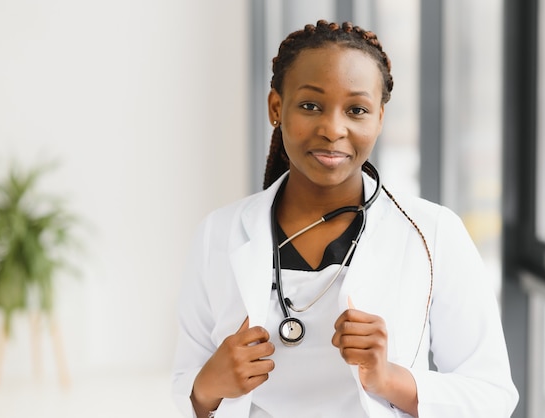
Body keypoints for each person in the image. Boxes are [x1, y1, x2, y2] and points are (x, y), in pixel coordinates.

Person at [172, 20, 518, 418]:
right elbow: (188, 387)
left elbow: (492, 397)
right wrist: (207, 387)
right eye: (310, 106)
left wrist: (389, 379)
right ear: (275, 108)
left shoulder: (433, 232)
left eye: (356, 110)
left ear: (379, 118)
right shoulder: (219, 232)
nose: (333, 129)